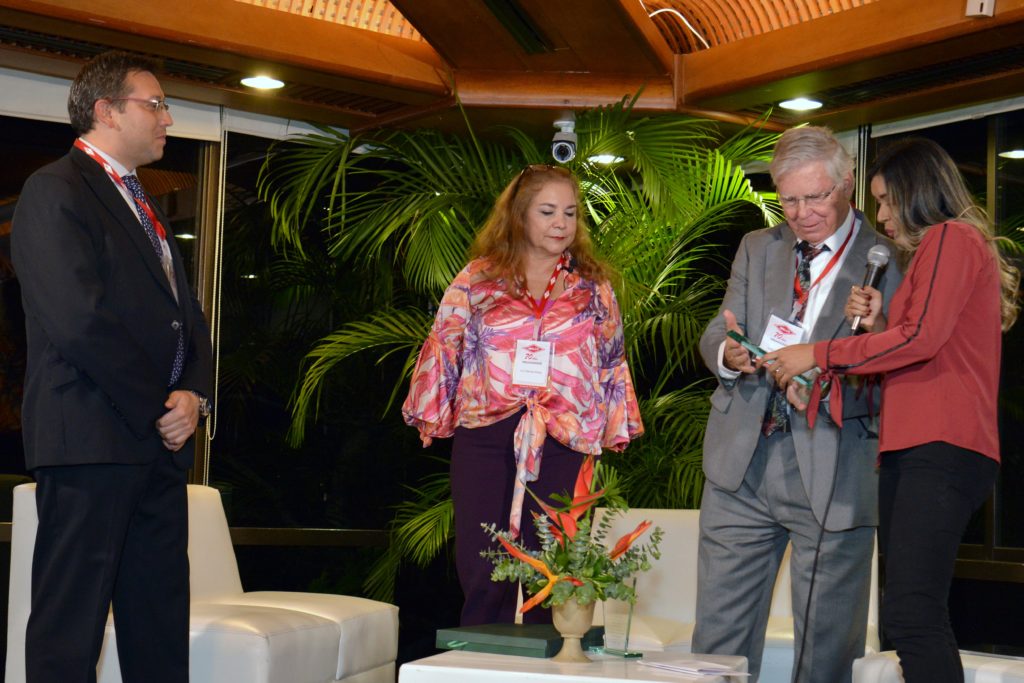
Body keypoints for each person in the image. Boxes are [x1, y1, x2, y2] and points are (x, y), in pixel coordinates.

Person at [764, 137, 1019, 683]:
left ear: (916, 193)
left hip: (942, 444)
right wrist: (881, 325)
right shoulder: (935, 251)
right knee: (911, 614)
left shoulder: (951, 237)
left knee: (913, 614)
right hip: (915, 443)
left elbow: (921, 339)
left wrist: (819, 353)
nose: (881, 216)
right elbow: (920, 346)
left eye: (885, 201)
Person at [11, 51, 213, 683]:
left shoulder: (143, 202)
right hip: (90, 441)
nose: (167, 119)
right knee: (70, 631)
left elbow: (185, 315)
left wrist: (194, 393)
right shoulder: (56, 189)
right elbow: (78, 320)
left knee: (158, 625)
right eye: (156, 105)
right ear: (107, 110)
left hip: (156, 447)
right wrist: (160, 407)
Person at [691, 126, 901, 683]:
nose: (803, 213)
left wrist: (836, 369)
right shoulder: (758, 247)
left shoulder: (889, 257)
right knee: (716, 647)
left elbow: (899, 366)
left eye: (816, 197)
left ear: (847, 183)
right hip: (741, 466)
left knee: (826, 652)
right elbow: (719, 328)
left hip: (835, 464)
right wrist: (729, 353)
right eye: (789, 200)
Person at [402, 163, 644, 626]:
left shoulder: (593, 287)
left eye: (570, 213)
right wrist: (433, 415)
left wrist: (614, 427)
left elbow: (612, 359)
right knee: (482, 561)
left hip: (564, 438)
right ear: (519, 216)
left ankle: (548, 659)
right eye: (547, 212)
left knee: (552, 565)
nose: (561, 224)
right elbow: (445, 343)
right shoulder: (477, 279)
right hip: (486, 434)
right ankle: (479, 657)